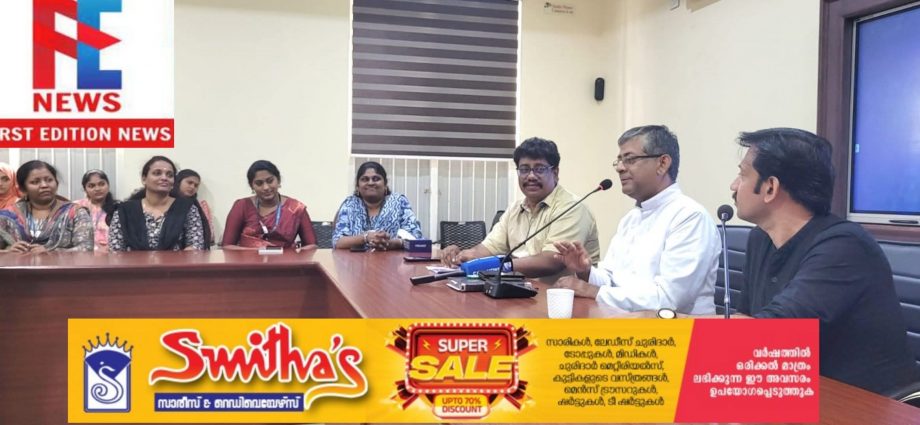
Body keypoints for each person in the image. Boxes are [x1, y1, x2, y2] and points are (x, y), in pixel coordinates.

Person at [730, 127, 920, 395]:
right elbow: (746, 320)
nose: (734, 186)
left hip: (867, 403)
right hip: (793, 389)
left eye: (742, 174)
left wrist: (673, 327)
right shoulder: (760, 238)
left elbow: (776, 331)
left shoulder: (845, 246)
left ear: (770, 187)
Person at [553, 125, 720, 314]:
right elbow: (612, 281)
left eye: (630, 159)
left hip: (679, 329)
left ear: (662, 163)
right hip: (626, 322)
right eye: (619, 160)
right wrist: (585, 272)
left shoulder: (690, 217)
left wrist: (592, 291)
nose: (620, 168)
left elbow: (668, 300)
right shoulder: (631, 218)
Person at [440, 137, 600, 282]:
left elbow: (552, 261)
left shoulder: (572, 207)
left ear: (555, 173)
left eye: (539, 169)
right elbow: (488, 248)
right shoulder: (515, 209)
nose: (531, 176)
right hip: (520, 292)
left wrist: (500, 265)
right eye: (524, 169)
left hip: (564, 297)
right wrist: (463, 255)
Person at [107, 156, 206, 251]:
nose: (164, 178)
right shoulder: (124, 211)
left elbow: (195, 246)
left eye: (170, 175)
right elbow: (116, 250)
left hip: (177, 263)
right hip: (130, 263)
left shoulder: (187, 208)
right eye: (157, 173)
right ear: (144, 179)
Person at [0, 160, 93, 253]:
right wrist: (8, 251)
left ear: (57, 183)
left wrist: (51, 252)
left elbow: (86, 248)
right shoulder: (7, 215)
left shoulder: (75, 212)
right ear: (23, 188)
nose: (44, 185)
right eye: (35, 182)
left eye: (49, 180)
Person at [222, 160, 317, 249]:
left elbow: (312, 245)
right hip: (247, 261)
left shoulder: (296, 208)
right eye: (259, 183)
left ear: (278, 180)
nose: (266, 187)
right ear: (252, 186)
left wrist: (294, 255)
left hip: (285, 260)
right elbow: (227, 246)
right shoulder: (242, 206)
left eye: (270, 181)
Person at [333, 161, 424, 250]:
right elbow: (338, 242)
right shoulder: (349, 204)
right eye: (365, 179)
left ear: (385, 184)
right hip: (355, 259)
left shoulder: (399, 202)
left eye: (376, 179)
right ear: (357, 186)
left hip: (392, 258)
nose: (370, 183)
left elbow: (416, 238)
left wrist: (393, 243)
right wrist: (366, 237)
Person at [170, 169, 214, 246]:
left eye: (196, 185)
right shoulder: (167, 202)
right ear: (178, 182)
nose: (192, 187)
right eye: (189, 183)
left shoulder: (195, 207)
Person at [75, 170, 115, 252]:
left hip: (110, 254)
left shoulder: (118, 207)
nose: (97, 189)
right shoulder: (76, 206)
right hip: (82, 253)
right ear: (85, 189)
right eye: (91, 186)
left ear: (108, 185)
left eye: (101, 184)